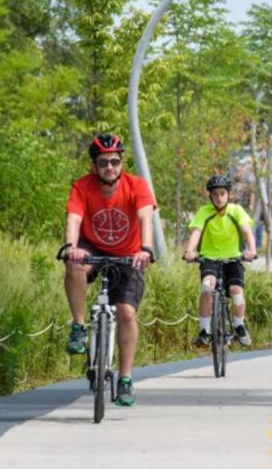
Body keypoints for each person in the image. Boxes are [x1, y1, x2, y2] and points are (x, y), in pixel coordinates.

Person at [63, 133, 156, 408]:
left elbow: (145, 219)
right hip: (92, 246)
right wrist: (70, 246)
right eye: (103, 162)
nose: (110, 168)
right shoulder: (82, 186)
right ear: (94, 165)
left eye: (115, 161)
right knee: (74, 264)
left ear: (122, 162)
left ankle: (125, 379)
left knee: (126, 313)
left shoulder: (137, 186)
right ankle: (79, 326)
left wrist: (147, 249)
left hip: (130, 253)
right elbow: (74, 218)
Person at [183, 174, 258, 348]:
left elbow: (247, 231)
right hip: (209, 257)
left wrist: (252, 250)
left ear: (229, 194)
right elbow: (196, 232)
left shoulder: (236, 210)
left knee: (235, 289)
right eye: (215, 194)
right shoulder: (204, 212)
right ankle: (204, 331)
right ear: (210, 195)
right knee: (207, 286)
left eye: (222, 193)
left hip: (233, 257)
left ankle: (239, 326)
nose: (219, 197)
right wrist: (189, 251)